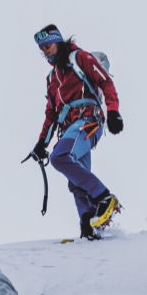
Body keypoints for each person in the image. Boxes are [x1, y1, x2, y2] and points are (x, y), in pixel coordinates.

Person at [29, 24, 124, 239]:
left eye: (48, 46)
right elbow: (51, 114)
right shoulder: (52, 80)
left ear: (59, 42)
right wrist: (41, 144)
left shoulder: (79, 58)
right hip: (69, 128)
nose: (45, 51)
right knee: (76, 178)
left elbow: (106, 82)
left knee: (60, 157)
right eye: (42, 48)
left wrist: (113, 112)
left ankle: (104, 197)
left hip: (88, 121)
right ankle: (88, 227)